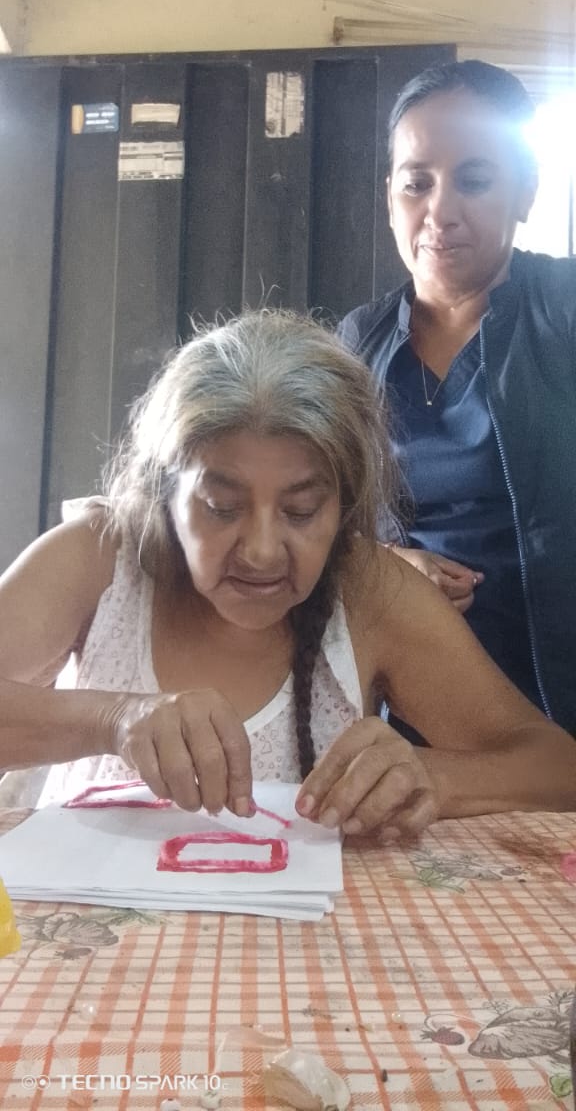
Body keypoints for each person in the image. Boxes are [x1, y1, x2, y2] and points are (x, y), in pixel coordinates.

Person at [0, 310, 575, 841]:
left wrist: (435, 776)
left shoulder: (370, 591)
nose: (261, 553)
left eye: (301, 512)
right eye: (221, 507)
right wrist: (113, 718)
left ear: (344, 507)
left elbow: (557, 767)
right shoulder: (101, 557)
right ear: (164, 496)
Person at [338, 60, 576, 737]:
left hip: (556, 699)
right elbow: (316, 516)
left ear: (525, 192)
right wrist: (386, 565)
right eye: (417, 183)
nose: (440, 212)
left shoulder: (564, 312)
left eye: (474, 180)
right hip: (414, 707)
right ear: (390, 198)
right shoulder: (359, 342)